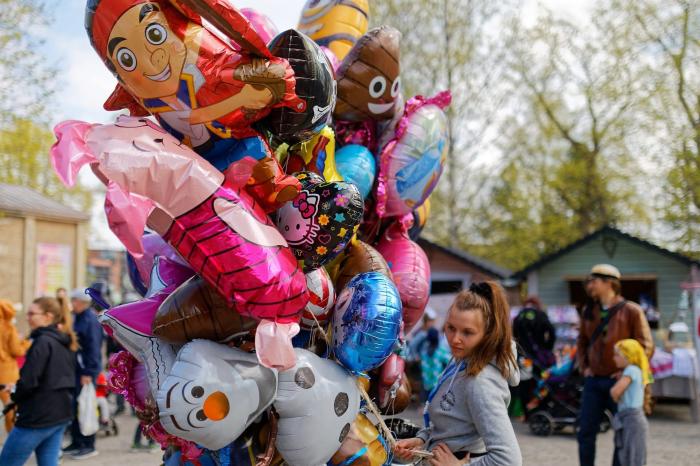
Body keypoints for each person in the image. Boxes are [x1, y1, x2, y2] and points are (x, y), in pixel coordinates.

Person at [393, 282, 522, 466]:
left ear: (488, 334)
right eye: (451, 328)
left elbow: (509, 460)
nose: (455, 339)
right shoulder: (460, 360)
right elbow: (453, 427)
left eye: (467, 332)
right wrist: (421, 440)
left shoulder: (481, 383)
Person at [576, 264, 654, 466]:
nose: (589, 285)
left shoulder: (632, 310)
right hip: (594, 380)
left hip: (620, 382)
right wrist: (585, 367)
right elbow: (582, 342)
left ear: (608, 283)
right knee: (585, 431)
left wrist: (627, 371)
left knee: (622, 434)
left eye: (593, 281)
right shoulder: (588, 310)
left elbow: (645, 346)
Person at [0, 297, 78, 466]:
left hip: (38, 416)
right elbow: (53, 377)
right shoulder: (64, 340)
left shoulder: (42, 341)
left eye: (31, 314)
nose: (27, 317)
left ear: (48, 316)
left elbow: (29, 381)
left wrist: (15, 395)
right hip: (60, 412)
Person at [63, 288, 103, 460]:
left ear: (81, 302)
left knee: (85, 407)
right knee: (75, 407)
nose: (71, 304)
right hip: (76, 370)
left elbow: (93, 348)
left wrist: (89, 372)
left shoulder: (90, 320)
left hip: (85, 372)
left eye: (73, 300)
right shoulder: (77, 317)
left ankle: (88, 444)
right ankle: (76, 441)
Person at [610, 339, 651, 466]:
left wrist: (616, 394)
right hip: (634, 420)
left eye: (617, 355)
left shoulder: (631, 370)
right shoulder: (635, 370)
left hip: (631, 420)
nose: (614, 358)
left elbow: (615, 392)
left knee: (630, 457)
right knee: (633, 456)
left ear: (628, 356)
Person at [0, 300, 30, 433]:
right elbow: (17, 351)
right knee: (11, 406)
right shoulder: (8, 327)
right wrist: (26, 343)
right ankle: (12, 434)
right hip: (7, 372)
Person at [512, 296, 556, 370]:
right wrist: (548, 347)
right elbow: (552, 331)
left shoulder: (518, 316)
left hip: (523, 355)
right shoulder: (540, 315)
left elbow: (515, 336)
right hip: (539, 353)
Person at [419, 327, 452, 401]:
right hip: (437, 385)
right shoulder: (440, 351)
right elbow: (451, 362)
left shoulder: (424, 351)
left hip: (426, 383)